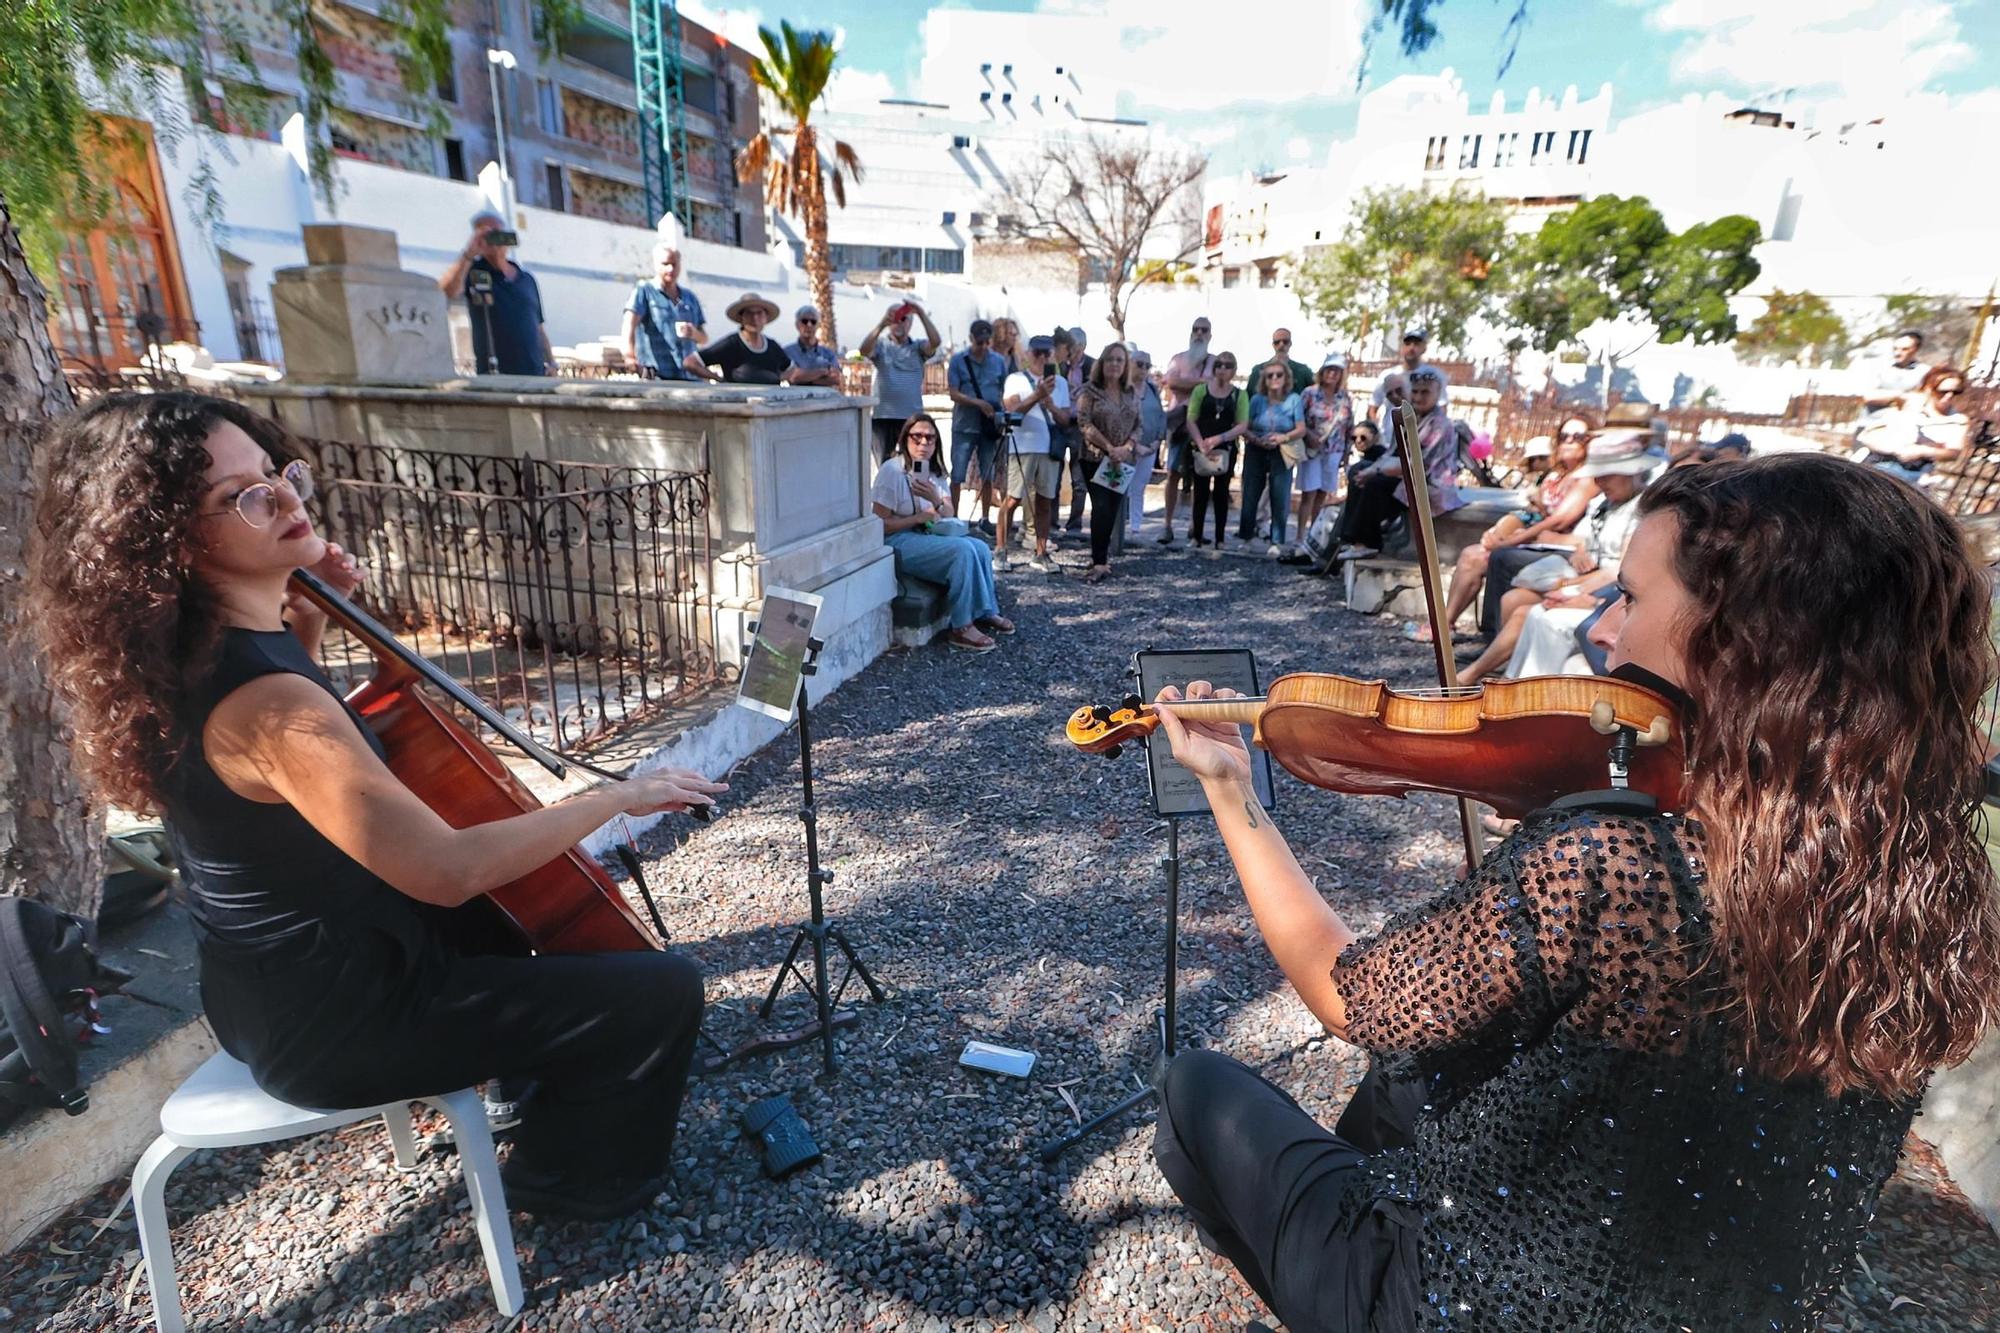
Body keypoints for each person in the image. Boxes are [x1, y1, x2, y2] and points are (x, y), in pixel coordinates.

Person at [1148, 450, 2000, 1333]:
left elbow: (1344, 991)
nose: (1602, 632)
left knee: (1194, 1087)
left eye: (1630, 598)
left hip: (1477, 1307)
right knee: (1410, 1077)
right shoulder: (1927, 879)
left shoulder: (1618, 863)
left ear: (1737, 644)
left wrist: (1229, 789)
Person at [26, 392, 725, 1220]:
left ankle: (527, 1080)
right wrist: (619, 797)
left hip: (270, 984)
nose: (287, 499)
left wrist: (310, 622)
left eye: (276, 473)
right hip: (333, 1018)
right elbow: (444, 869)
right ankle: (564, 1181)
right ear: (169, 543)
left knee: (513, 927)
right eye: (241, 497)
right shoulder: (268, 701)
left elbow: (284, 769)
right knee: (663, 989)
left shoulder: (207, 648)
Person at [1456, 429, 1654, 684]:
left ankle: (1507, 682)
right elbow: (1581, 540)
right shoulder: (1604, 505)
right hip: (1589, 578)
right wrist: (1579, 555)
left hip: (1610, 592)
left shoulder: (1643, 510)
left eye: (1608, 475)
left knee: (1540, 616)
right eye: (1598, 476)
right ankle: (1506, 677)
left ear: (1632, 471)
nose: (1601, 483)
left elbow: (1621, 572)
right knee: (1514, 600)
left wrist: (1575, 591)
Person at [1419, 417, 1599, 642]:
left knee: (1484, 557)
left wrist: (1510, 541)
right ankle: (1444, 625)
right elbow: (1538, 514)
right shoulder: (1556, 476)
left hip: (1560, 546)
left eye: (1578, 437)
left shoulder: (1588, 478)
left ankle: (1461, 631)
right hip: (1537, 540)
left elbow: (1559, 521)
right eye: (1564, 436)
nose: (1569, 441)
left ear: (1589, 441)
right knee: (1472, 554)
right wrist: (1502, 530)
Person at [871, 414, 1014, 652]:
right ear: (905, 439)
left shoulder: (935, 472)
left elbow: (948, 512)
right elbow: (879, 523)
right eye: (917, 437)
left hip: (926, 534)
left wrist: (935, 499)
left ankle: (986, 610)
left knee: (979, 548)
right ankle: (961, 627)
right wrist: (917, 518)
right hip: (898, 540)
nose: (923, 443)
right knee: (963, 552)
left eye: (930, 438)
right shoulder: (892, 472)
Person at [1337, 367, 1459, 559]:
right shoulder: (1408, 418)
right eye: (1416, 391)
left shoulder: (1440, 425)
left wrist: (1375, 472)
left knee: (1376, 483)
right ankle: (1352, 538)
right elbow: (1393, 452)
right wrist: (1371, 469)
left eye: (1425, 392)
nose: (1419, 397)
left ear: (1437, 394)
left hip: (1430, 484)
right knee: (1358, 472)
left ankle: (1368, 542)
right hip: (1408, 477)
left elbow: (1416, 465)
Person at [438, 210, 554, 376]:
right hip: (496, 374)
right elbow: (445, 293)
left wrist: (551, 362)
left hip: (535, 373)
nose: (495, 240)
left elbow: (538, 326)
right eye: (487, 234)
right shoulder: (474, 272)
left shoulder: (526, 279)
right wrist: (468, 254)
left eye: (498, 233)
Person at [998, 334, 1071, 573]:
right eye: (1037, 353)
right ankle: (1000, 550)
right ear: (1028, 355)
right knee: (1013, 499)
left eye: (1046, 353)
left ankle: (1040, 553)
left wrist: (1048, 403)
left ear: (1053, 356)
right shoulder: (1015, 380)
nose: (1041, 358)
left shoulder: (1060, 383)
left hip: (1049, 448)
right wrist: (1035, 396)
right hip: (1023, 446)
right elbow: (1012, 412)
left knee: (1045, 502)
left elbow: (1065, 419)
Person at [1074, 341, 1144, 581]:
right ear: (1101, 363)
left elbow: (1138, 425)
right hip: (1095, 457)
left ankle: (1102, 557)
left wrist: (1127, 447)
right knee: (1101, 506)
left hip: (1122, 459)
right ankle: (1099, 560)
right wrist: (1109, 448)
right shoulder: (1089, 391)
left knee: (1113, 510)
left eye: (1120, 360)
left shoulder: (1131, 392)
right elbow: (1084, 423)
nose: (1114, 364)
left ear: (1126, 365)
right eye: (1110, 359)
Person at [1182, 351, 1249, 557]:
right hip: (1201, 446)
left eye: (1228, 365)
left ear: (1234, 370)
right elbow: (1191, 418)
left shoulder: (1239, 395)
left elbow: (1242, 424)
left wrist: (1221, 438)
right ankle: (1197, 536)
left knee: (1221, 493)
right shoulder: (1201, 390)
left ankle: (1220, 538)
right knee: (1200, 492)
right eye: (1219, 364)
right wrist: (1200, 442)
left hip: (1225, 448)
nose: (1222, 368)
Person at [1856, 364, 1973, 481]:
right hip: (1881, 459)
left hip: (1915, 470)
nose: (1949, 396)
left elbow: (1953, 453)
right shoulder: (1913, 402)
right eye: (1942, 391)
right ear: (1929, 388)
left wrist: (1922, 451)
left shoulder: (1957, 420)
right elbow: (1868, 397)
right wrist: (1900, 396)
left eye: (1956, 392)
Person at [946, 319, 1008, 528]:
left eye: (986, 342)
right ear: (971, 339)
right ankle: (954, 517)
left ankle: (985, 518)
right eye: (978, 342)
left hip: (988, 426)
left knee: (987, 472)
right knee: (957, 474)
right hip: (964, 425)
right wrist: (978, 403)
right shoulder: (958, 361)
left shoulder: (998, 361)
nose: (982, 347)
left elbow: (1003, 391)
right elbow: (953, 393)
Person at [1158, 317, 1215, 547]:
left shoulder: (1214, 361)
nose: (1199, 333)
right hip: (1178, 422)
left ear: (1210, 335)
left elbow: (1211, 386)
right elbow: (1171, 382)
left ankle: (1195, 526)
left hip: (1202, 424)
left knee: (1201, 474)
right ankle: (1167, 525)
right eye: (1196, 329)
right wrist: (1199, 383)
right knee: (1173, 473)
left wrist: (1187, 382)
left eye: (1204, 330)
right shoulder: (1177, 359)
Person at [860, 298, 940, 460]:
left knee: (916, 463)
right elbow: (864, 350)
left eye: (903, 319)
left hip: (912, 418)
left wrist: (921, 314)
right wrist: (882, 323)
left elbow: (935, 342)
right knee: (885, 464)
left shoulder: (918, 347)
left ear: (910, 323)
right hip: (883, 417)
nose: (899, 323)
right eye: (895, 319)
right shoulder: (881, 346)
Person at [1240, 362, 1305, 557]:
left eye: (1278, 375)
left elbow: (1301, 428)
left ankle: (1277, 540)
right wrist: (1256, 439)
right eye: (1270, 376)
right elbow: (1246, 426)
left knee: (1280, 495)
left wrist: (1283, 438)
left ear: (1286, 378)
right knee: (1250, 493)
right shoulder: (1257, 400)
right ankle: (1246, 537)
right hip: (1256, 448)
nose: (1274, 379)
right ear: (1264, 380)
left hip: (1282, 449)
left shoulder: (1294, 400)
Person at [620, 241, 708, 381]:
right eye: (665, 264)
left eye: (674, 264)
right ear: (656, 264)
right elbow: (629, 324)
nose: (670, 269)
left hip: (690, 376)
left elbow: (704, 338)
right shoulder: (645, 292)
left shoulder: (689, 298)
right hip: (657, 376)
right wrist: (629, 356)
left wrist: (694, 333)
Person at [1293, 354, 1353, 554]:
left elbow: (1349, 427)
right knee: (1308, 493)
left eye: (1337, 370)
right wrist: (1308, 434)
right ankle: (1300, 535)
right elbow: (1298, 419)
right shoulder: (1309, 393)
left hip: (1334, 451)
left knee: (1322, 494)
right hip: (1312, 450)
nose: (1332, 374)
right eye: (1329, 369)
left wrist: (1346, 454)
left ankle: (1314, 534)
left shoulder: (1344, 398)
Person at [693, 293, 794, 385]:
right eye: (749, 314)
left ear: (765, 317)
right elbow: (691, 362)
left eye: (759, 313)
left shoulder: (773, 346)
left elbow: (791, 370)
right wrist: (717, 378)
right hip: (739, 403)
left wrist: (778, 379)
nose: (755, 318)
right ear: (741, 318)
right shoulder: (731, 344)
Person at [1056, 328, 1093, 534]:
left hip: (1080, 425)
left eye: (1074, 346)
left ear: (1083, 347)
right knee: (1054, 474)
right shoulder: (1059, 366)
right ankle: (1052, 522)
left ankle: (1074, 524)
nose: (1071, 351)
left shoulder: (1092, 366)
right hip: (1061, 424)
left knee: (1079, 479)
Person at [1369, 327, 1446, 424]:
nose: (1411, 348)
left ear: (1424, 348)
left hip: (1419, 436)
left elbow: (1442, 408)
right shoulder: (1388, 376)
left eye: (1416, 344)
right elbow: (1373, 407)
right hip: (1389, 436)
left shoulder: (1434, 376)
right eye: (1408, 343)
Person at [1129, 348, 1168, 540]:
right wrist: (1133, 445)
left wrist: (1157, 441)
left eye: (1147, 365)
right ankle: (1118, 526)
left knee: (1139, 488)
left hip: (1149, 447)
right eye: (1140, 364)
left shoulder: (1152, 389)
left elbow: (1161, 416)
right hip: (1126, 448)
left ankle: (1135, 527)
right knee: (1119, 487)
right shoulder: (1123, 389)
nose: (1144, 369)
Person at [1858, 330, 1932, 415]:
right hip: (1875, 420)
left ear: (1915, 349)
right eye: (1895, 349)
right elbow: (1867, 396)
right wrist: (1899, 396)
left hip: (1909, 419)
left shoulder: (1925, 372)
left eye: (1904, 349)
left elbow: (1926, 398)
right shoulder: (1878, 368)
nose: (1897, 353)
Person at [782, 304, 842, 388]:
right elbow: (790, 377)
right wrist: (822, 372)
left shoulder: (828, 354)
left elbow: (836, 379)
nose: (809, 325)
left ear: (818, 325)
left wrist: (803, 378)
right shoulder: (787, 352)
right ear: (797, 325)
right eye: (804, 321)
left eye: (813, 321)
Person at [1250, 327, 1313, 396]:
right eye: (1277, 342)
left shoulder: (1303, 371)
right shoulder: (1257, 370)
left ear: (1290, 344)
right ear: (1273, 345)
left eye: (1285, 341)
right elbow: (1249, 396)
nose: (1281, 344)